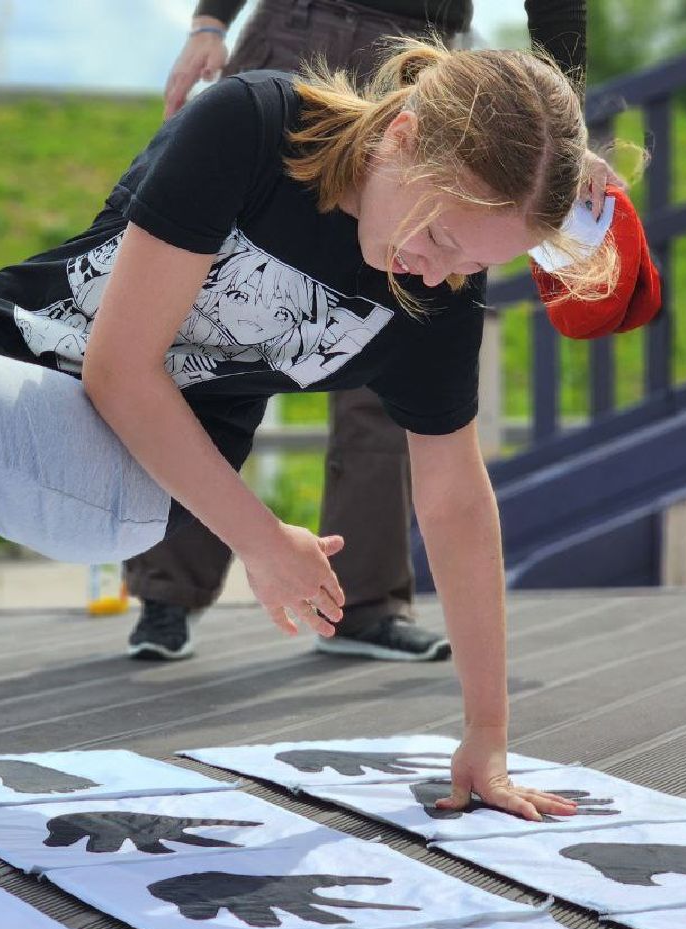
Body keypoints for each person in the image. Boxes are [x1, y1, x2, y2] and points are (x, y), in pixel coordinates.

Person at [0, 37, 613, 884]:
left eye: (471, 264)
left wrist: (486, 733)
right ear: (401, 131)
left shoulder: (430, 301)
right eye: (439, 236)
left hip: (127, 468)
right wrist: (264, 544)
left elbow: (453, 501)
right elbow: (118, 360)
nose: (438, 273)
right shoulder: (255, 125)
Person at [128, 0, 596, 664]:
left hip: (426, 74)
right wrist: (210, 20)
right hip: (294, 37)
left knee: (391, 346)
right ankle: (167, 590)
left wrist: (559, 151)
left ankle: (362, 602)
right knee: (220, 323)